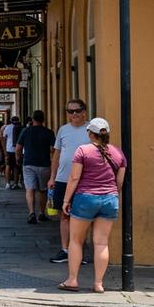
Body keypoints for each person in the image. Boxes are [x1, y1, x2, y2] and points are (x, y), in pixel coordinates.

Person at [58, 117, 127, 293]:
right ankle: (98, 283)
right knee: (101, 243)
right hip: (110, 199)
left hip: (85, 198)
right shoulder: (118, 153)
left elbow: (74, 178)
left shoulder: (83, 150)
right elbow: (119, 183)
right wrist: (111, 194)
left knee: (76, 240)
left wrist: (66, 200)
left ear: (90, 133)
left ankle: (72, 280)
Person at [49, 99, 91, 264]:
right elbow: (57, 155)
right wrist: (52, 177)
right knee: (64, 216)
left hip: (84, 180)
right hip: (62, 179)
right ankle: (65, 249)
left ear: (84, 112)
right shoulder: (63, 130)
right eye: (70, 111)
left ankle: (78, 251)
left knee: (81, 216)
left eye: (77, 110)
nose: (74, 114)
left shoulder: (90, 130)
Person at [17, 110, 55, 224]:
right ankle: (42, 213)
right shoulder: (48, 132)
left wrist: (18, 158)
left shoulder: (26, 131)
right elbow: (54, 149)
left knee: (30, 189)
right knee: (43, 190)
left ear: (32, 119)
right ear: (43, 119)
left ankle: (31, 212)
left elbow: (18, 147)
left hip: (28, 163)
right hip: (44, 164)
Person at [2, 116, 22, 190]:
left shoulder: (7, 127)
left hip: (9, 149)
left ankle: (8, 183)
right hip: (18, 150)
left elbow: (4, 138)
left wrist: (4, 150)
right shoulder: (20, 127)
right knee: (16, 167)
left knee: (8, 166)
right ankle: (16, 183)